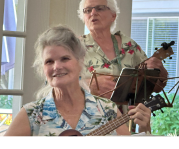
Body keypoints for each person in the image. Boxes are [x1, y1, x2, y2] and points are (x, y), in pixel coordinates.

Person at [4, 25, 151, 136]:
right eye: (49, 61)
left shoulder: (107, 110)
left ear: (80, 62)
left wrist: (145, 129)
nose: (57, 67)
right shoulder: (31, 114)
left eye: (65, 58)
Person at [78, 0, 168, 100]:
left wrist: (161, 72)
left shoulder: (130, 46)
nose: (93, 13)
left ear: (113, 15)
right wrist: (88, 85)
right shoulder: (74, 47)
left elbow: (156, 87)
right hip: (91, 116)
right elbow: (57, 86)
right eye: (88, 10)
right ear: (83, 17)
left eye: (100, 8)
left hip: (127, 116)